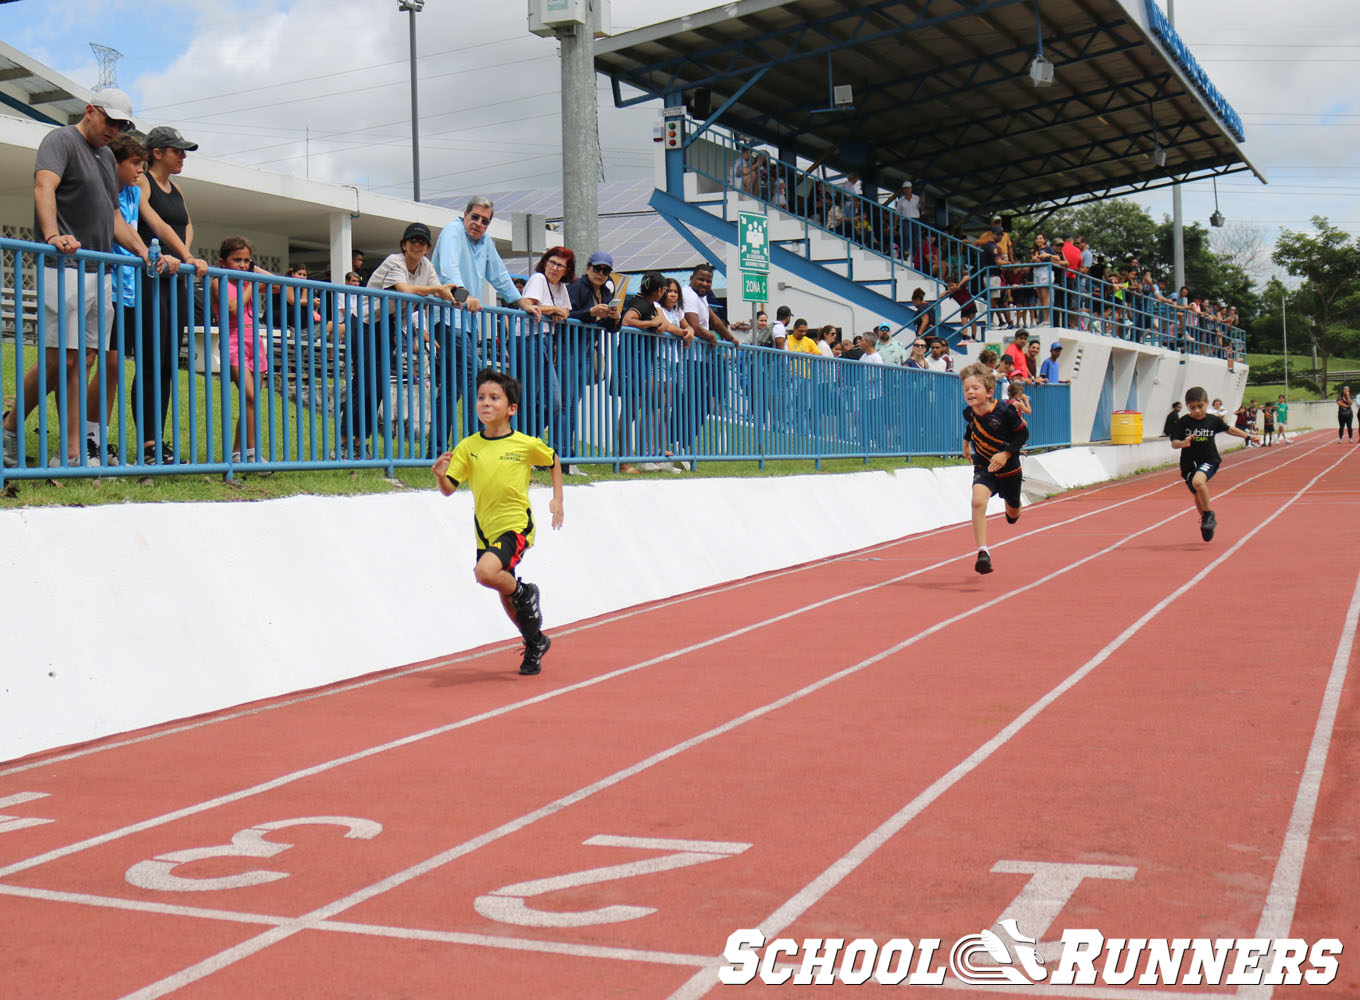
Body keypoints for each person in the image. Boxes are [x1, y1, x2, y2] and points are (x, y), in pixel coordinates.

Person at [3, 89, 164, 469]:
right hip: (65, 268)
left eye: (122, 124)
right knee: (61, 359)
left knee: (84, 359)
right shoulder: (60, 140)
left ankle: (72, 452)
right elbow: (44, 187)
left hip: (99, 270)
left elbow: (112, 217)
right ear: (90, 111)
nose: (115, 129)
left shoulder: (108, 157)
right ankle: (9, 429)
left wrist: (142, 249)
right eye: (110, 121)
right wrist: (51, 235)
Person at [432, 368, 563, 675]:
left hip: (515, 525)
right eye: (480, 398)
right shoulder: (468, 447)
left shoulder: (524, 444)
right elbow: (450, 488)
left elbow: (553, 459)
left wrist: (558, 498)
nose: (485, 404)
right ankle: (535, 641)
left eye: (494, 398)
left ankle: (525, 593)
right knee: (504, 594)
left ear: (511, 409)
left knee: (485, 573)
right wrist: (440, 477)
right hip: (485, 532)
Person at [429, 196, 542, 458]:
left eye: (485, 221)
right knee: (473, 378)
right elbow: (448, 270)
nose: (479, 224)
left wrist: (520, 300)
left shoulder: (485, 242)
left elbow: (499, 274)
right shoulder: (452, 232)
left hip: (466, 322)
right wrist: (464, 295)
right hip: (448, 318)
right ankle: (476, 451)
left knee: (451, 387)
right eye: (475, 217)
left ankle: (434, 452)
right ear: (465, 215)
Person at [345, 222, 459, 458]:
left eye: (422, 242)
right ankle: (345, 441)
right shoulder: (393, 261)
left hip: (388, 325)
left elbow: (437, 291)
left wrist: (452, 295)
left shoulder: (427, 266)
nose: (417, 245)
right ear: (404, 245)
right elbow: (405, 289)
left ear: (427, 248)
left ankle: (360, 442)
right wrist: (437, 291)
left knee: (378, 384)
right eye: (413, 241)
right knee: (364, 381)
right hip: (365, 321)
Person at [84, 134, 146, 467]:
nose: (140, 170)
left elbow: (142, 228)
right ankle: (84, 438)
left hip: (129, 290)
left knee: (113, 369)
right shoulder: (102, 189)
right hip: (101, 285)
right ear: (115, 163)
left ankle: (96, 438)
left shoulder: (135, 192)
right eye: (135, 163)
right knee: (94, 364)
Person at [960, 362, 1028, 575]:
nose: (970, 392)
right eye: (966, 389)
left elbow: (1023, 435)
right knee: (977, 501)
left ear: (989, 392)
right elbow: (971, 427)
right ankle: (983, 552)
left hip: (1009, 469)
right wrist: (965, 444)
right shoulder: (969, 413)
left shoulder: (1005, 411)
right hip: (984, 465)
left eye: (975, 388)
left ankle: (1013, 506)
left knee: (1012, 514)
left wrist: (1006, 453)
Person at [618, 271, 688, 473]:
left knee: (649, 407)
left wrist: (680, 330)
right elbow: (627, 320)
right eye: (666, 290)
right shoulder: (641, 304)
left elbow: (663, 324)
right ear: (659, 291)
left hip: (641, 363)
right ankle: (624, 462)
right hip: (632, 363)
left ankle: (638, 459)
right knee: (632, 410)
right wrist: (650, 324)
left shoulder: (648, 305)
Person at [1171, 385, 1259, 542]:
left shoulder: (1213, 420)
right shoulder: (1183, 422)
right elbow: (1174, 443)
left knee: (1198, 481)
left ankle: (1209, 514)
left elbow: (1228, 429)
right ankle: (1206, 519)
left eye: (1200, 406)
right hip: (1188, 464)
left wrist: (1247, 436)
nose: (1197, 411)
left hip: (1209, 460)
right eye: (1192, 408)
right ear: (1187, 407)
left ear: (1207, 403)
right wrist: (1183, 443)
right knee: (1197, 492)